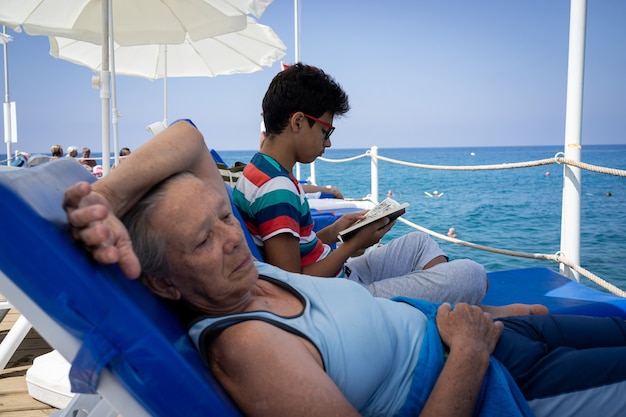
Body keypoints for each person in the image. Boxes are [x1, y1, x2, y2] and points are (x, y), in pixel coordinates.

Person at [63, 120, 626, 417]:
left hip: (476, 330)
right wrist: (472, 352)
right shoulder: (247, 348)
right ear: (164, 281)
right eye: (203, 240)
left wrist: (106, 199)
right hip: (488, 372)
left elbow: (189, 139)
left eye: (224, 218)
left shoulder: (246, 276)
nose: (233, 240)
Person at [232, 64, 511, 311]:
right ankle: (449, 313)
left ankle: (440, 307)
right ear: (298, 122)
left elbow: (295, 245)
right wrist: (353, 245)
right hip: (342, 297)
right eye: (325, 132)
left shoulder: (259, 169)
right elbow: (293, 286)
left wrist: (335, 231)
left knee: (418, 243)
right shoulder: (277, 189)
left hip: (339, 275)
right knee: (472, 274)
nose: (327, 143)